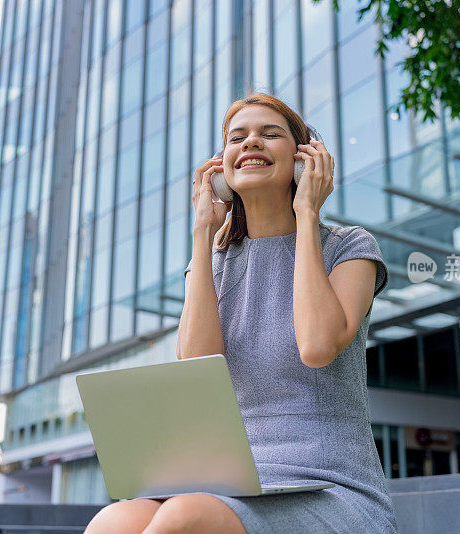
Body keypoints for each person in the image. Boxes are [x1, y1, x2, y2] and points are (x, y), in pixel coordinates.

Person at [84, 93, 396, 533]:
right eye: (237, 138)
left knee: (184, 516)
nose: (251, 143)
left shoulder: (348, 248)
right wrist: (203, 234)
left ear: (305, 160)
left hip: (329, 486)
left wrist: (307, 213)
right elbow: (197, 370)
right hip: (229, 483)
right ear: (221, 167)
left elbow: (317, 346)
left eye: (270, 134)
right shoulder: (212, 263)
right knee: (114, 520)